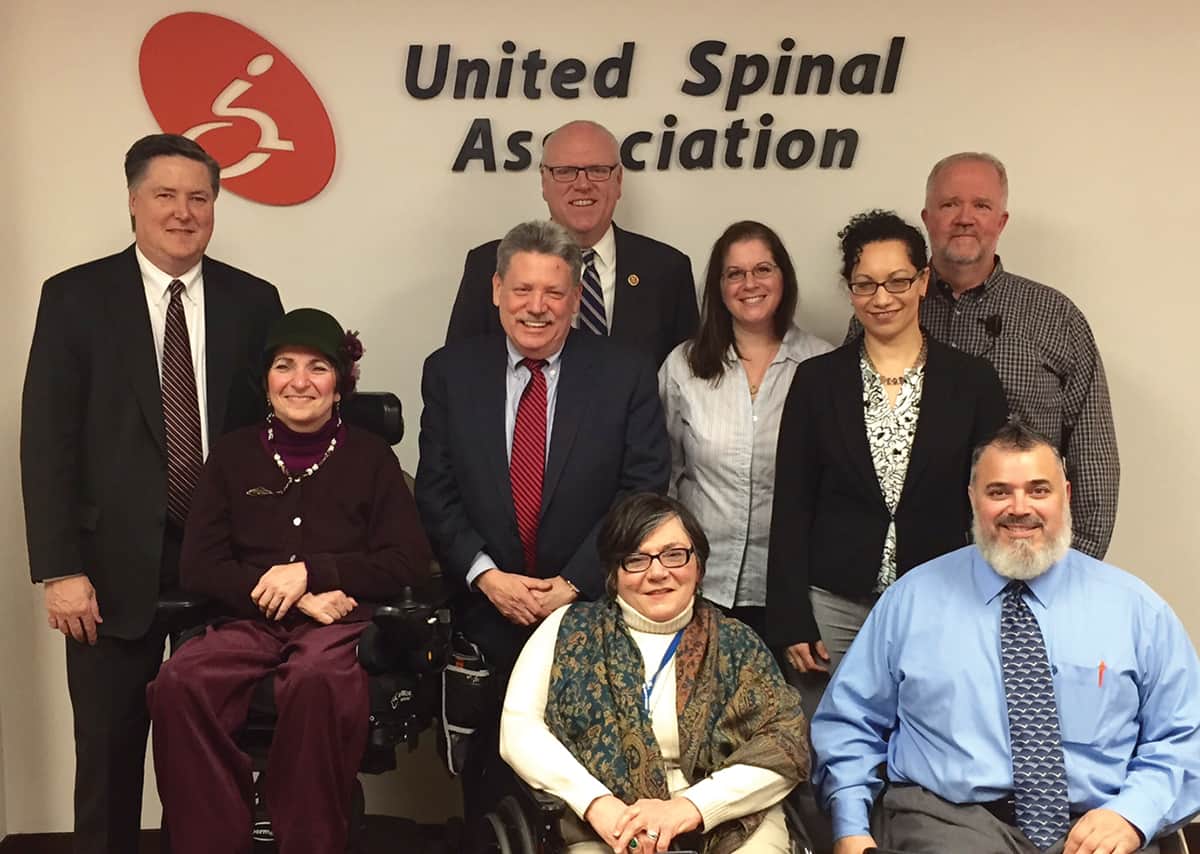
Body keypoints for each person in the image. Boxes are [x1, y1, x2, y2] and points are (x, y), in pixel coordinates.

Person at [19, 133, 283, 854]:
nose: (182, 212)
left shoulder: (254, 302)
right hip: (105, 569)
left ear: (216, 206)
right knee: (107, 757)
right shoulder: (75, 297)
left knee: (208, 759)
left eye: (199, 197)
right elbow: (47, 441)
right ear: (134, 202)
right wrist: (60, 569)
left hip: (221, 565)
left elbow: (268, 435)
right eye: (164, 195)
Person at [812, 422, 1200, 854]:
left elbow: (1186, 735)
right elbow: (849, 724)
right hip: (948, 822)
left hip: (1096, 827)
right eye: (999, 492)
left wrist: (1132, 814)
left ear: (1065, 497)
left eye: (1038, 490)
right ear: (972, 499)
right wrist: (850, 828)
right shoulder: (910, 601)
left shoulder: (1137, 610)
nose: (1020, 508)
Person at [415, 219, 671, 829]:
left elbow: (642, 488)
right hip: (487, 611)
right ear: (497, 290)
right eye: (523, 290)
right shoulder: (451, 370)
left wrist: (573, 584)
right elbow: (436, 487)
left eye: (554, 293)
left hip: (592, 612)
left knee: (593, 777)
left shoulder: (625, 373)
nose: (537, 307)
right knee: (487, 780)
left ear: (576, 300)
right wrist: (486, 576)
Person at [146, 308, 432, 854]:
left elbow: (407, 562)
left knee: (316, 679)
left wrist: (314, 572)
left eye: (317, 367)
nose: (300, 381)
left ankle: (309, 840)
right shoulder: (230, 456)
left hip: (340, 628)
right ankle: (213, 839)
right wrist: (293, 595)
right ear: (266, 380)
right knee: (178, 683)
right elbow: (199, 568)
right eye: (285, 365)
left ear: (341, 385)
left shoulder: (373, 458)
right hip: (245, 623)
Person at [767, 210, 1007, 701]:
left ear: (923, 282)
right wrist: (790, 616)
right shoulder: (816, 382)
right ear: (849, 289)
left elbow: (991, 503)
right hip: (833, 602)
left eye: (897, 281)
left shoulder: (973, 382)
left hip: (940, 597)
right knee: (832, 750)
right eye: (865, 284)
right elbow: (792, 504)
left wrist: (991, 601)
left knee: (927, 745)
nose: (881, 298)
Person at [501, 492, 809, 854]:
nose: (658, 572)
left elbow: (784, 746)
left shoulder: (738, 644)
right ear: (612, 573)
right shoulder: (567, 630)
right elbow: (519, 732)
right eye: (636, 559)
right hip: (604, 820)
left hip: (730, 819)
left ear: (699, 565)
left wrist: (691, 808)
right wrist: (597, 804)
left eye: (674, 554)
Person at [849, 152, 1119, 557]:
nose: (964, 217)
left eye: (981, 205)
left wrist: (1076, 566)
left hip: (1023, 555)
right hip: (906, 560)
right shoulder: (884, 309)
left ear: (1001, 220)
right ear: (927, 218)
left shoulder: (1055, 317)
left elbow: (1093, 457)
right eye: (949, 204)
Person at [659, 221, 832, 639]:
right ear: (718, 286)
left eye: (762, 269)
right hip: (699, 584)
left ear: (783, 277)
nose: (749, 283)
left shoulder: (823, 365)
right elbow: (664, 479)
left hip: (792, 592)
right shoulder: (683, 367)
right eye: (734, 273)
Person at [445, 120, 698, 367]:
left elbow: (685, 384)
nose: (583, 185)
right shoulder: (488, 264)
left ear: (618, 180)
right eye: (565, 172)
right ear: (544, 182)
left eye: (598, 170)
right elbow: (457, 373)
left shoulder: (667, 270)